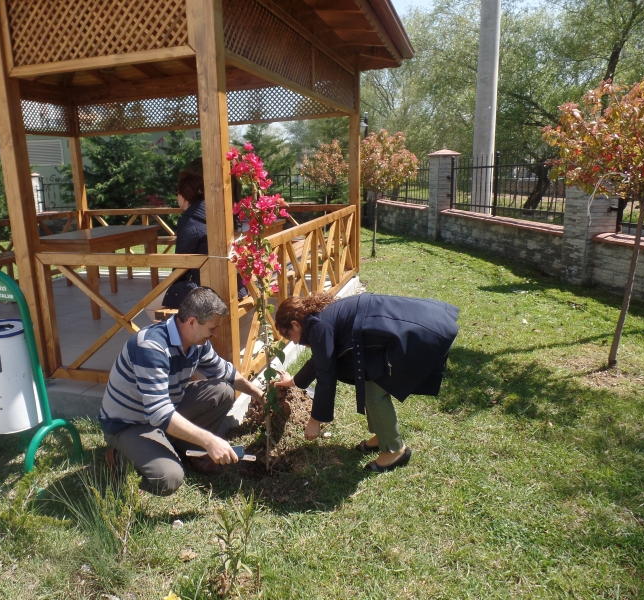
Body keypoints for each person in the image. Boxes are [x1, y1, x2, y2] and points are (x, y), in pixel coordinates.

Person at [100, 287, 264, 496]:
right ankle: (119, 456)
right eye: (212, 328)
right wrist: (210, 440)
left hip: (166, 409)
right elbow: (159, 413)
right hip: (130, 424)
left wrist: (259, 395)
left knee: (223, 391)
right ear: (192, 322)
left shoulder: (197, 343)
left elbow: (227, 373)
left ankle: (189, 450)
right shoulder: (151, 347)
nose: (215, 334)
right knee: (169, 478)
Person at [274, 292, 459, 472]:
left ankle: (395, 451)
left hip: (419, 332)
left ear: (295, 325)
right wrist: (295, 381)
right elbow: (321, 360)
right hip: (418, 323)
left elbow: (326, 374)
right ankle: (383, 436)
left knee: (375, 394)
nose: (294, 342)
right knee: (371, 385)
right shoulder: (317, 318)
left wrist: (315, 419)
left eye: (288, 336)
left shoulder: (318, 325)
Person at [162, 171, 208, 308]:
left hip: (203, 288)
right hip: (231, 284)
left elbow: (180, 263)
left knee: (151, 305)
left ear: (183, 197)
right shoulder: (213, 214)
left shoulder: (189, 222)